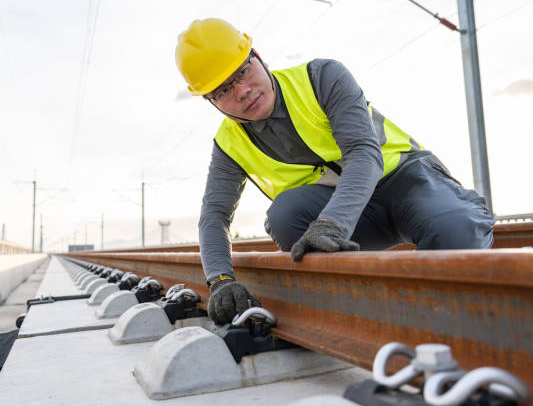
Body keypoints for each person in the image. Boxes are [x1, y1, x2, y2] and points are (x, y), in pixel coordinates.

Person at [175, 18, 494, 324]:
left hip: (405, 182)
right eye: (222, 91)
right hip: (355, 217)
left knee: (454, 226)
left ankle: (447, 312)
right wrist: (219, 280)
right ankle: (355, 310)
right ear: (211, 101)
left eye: (243, 71)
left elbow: (364, 154)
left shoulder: (320, 77)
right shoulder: (229, 144)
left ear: (258, 57)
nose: (241, 91)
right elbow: (214, 215)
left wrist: (332, 224)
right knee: (285, 215)